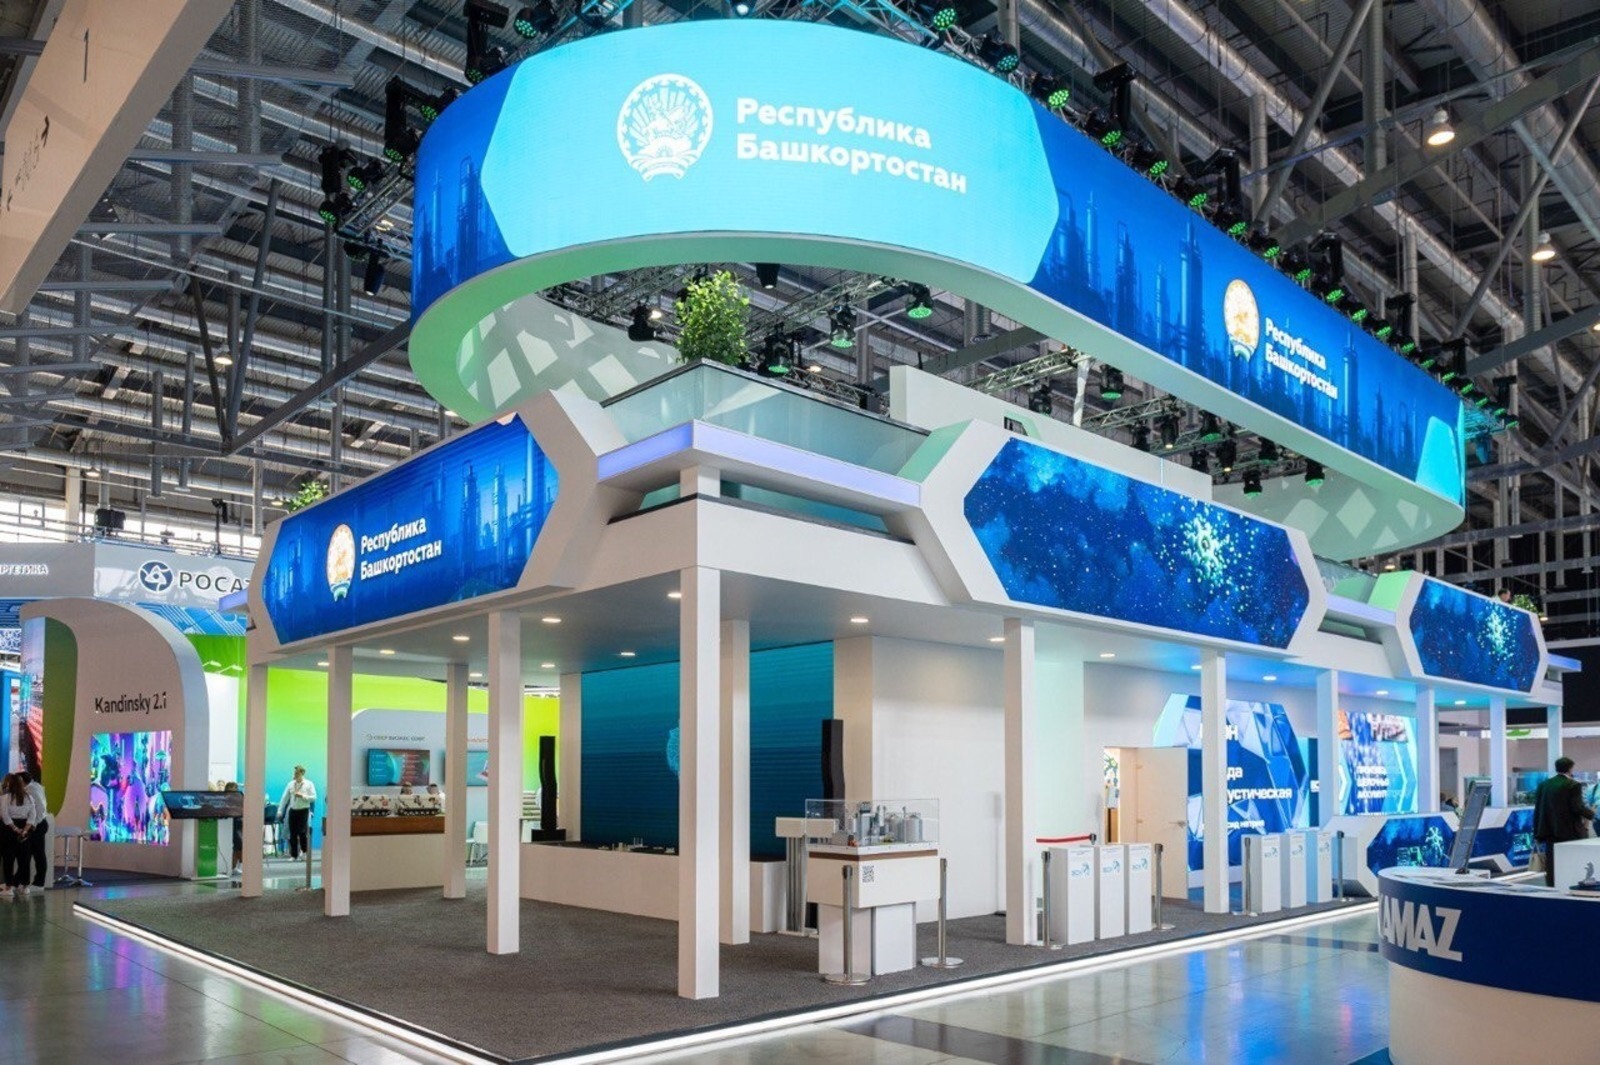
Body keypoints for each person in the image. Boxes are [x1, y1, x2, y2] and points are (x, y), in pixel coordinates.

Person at [1533, 756, 1596, 886]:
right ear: (1570, 769)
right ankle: (1569, 883)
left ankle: (1552, 885)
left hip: (1549, 831)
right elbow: (1577, 807)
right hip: (1569, 832)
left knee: (1552, 862)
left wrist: (1537, 833)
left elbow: (1538, 809)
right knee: (1571, 860)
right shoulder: (1573, 785)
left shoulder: (1544, 785)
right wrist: (1592, 814)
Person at [0, 773, 41, 899]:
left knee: (8, 859)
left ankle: (8, 887)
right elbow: (33, 815)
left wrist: (16, 829)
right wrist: (25, 830)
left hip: (9, 829)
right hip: (25, 829)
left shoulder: (6, 798)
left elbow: (5, 815)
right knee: (24, 858)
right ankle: (25, 886)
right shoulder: (29, 797)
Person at [277, 766, 317, 860]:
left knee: (302, 832)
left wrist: (303, 796)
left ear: (302, 773)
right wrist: (280, 810)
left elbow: (314, 797)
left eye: (297, 773)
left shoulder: (309, 784)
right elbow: (284, 798)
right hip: (293, 810)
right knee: (292, 833)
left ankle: (304, 852)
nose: (295, 775)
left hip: (304, 810)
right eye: (295, 773)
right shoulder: (290, 784)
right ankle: (293, 855)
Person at [18, 772, 48, 890]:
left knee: (38, 854)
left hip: (37, 825)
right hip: (35, 824)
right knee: (27, 854)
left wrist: (33, 825)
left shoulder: (33, 790)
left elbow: (41, 809)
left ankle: (39, 883)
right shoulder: (34, 787)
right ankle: (20, 882)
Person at [225, 782, 243, 885]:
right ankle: (232, 866)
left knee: (238, 846)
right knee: (236, 845)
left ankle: (235, 866)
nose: (234, 790)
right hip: (230, 823)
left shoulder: (239, 797)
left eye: (235, 788)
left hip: (238, 823)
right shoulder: (225, 799)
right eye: (231, 788)